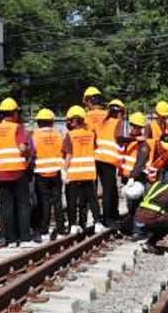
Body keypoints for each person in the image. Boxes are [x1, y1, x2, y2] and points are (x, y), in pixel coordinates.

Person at [0, 97, 32, 246]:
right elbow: (22, 148)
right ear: (14, 113)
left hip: (1, 172)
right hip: (18, 171)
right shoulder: (17, 128)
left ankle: (11, 239)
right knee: (23, 205)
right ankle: (25, 237)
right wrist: (28, 154)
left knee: (7, 206)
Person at [63, 106, 101, 233]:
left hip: (74, 174)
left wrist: (64, 170)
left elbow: (69, 155)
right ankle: (97, 222)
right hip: (89, 173)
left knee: (72, 200)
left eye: (69, 120)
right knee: (92, 199)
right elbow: (94, 149)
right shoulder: (91, 135)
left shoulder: (70, 135)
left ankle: (73, 225)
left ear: (73, 121)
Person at [32, 109, 66, 240]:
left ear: (39, 122)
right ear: (52, 121)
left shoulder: (34, 135)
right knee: (57, 201)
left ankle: (44, 229)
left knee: (44, 202)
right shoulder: (58, 134)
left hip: (41, 172)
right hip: (56, 172)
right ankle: (61, 228)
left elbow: (31, 153)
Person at [119, 112, 154, 235]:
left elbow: (140, 163)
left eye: (137, 127)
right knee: (130, 205)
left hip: (136, 179)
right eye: (132, 126)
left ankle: (138, 230)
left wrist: (132, 178)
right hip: (126, 177)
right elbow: (118, 139)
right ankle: (135, 228)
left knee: (136, 205)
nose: (134, 128)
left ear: (141, 128)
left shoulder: (143, 145)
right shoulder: (129, 140)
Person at [95, 99, 125, 227]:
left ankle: (111, 214)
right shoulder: (118, 122)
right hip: (109, 160)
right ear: (120, 112)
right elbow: (119, 138)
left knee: (110, 189)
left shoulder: (103, 121)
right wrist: (134, 139)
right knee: (108, 190)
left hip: (98, 159)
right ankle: (108, 219)